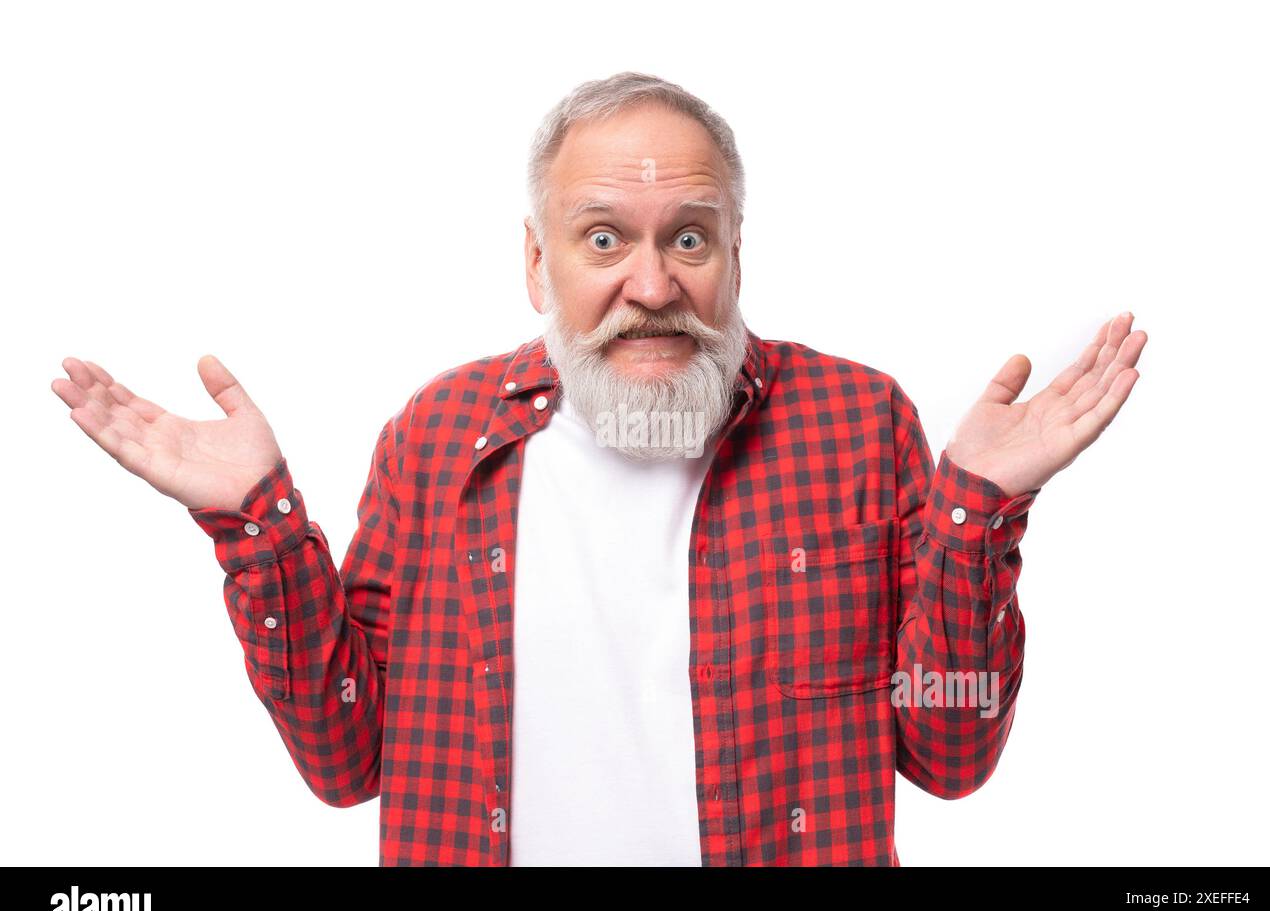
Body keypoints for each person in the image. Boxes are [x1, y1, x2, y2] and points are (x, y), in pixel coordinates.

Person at [51, 71, 1147, 866]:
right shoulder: (436, 439)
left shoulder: (857, 424)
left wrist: (978, 515)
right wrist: (258, 525)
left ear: (733, 253)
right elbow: (347, 760)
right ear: (538, 259)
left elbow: (950, 752)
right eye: (603, 237)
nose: (653, 284)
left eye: (688, 237)